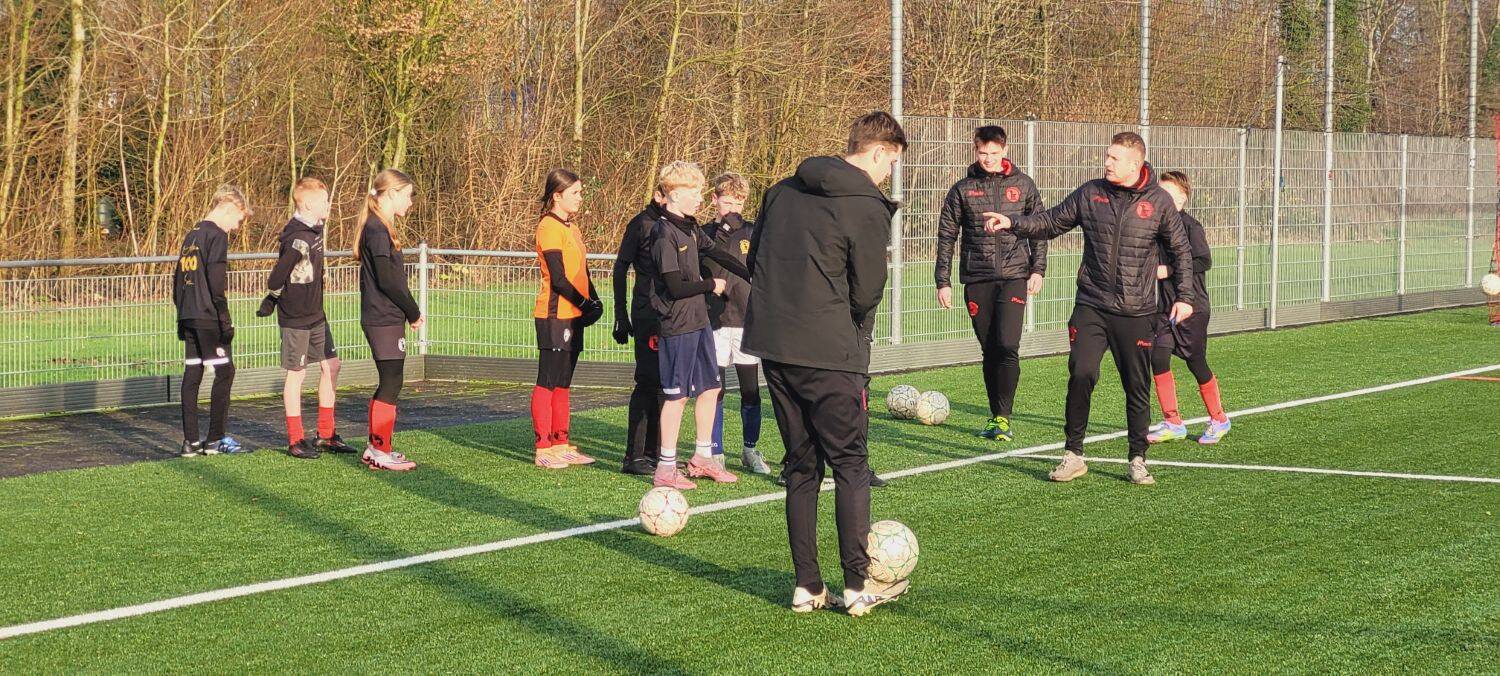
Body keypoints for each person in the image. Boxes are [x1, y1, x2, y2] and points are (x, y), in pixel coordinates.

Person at [743, 111, 910, 616]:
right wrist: (849, 328)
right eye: (891, 163)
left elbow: (757, 263)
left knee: (800, 466)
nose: (888, 175)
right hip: (832, 351)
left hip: (775, 346)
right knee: (851, 465)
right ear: (879, 152)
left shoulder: (779, 191)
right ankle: (858, 585)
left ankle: (807, 585)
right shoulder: (865, 203)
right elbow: (869, 288)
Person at [986, 131, 1198, 486]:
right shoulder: (1091, 192)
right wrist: (1014, 223)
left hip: (1137, 311)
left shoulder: (1159, 201)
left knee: (1136, 385)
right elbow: (1051, 222)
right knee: (1082, 372)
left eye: (1114, 158)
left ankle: (1137, 458)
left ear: (1135, 163)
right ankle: (1073, 455)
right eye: (1107, 157)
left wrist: (1185, 297)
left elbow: (1181, 252)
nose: (1107, 163)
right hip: (1092, 305)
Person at [934, 125, 1048, 441]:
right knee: (989, 349)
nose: (988, 159)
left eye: (994, 153)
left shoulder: (1023, 185)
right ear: (975, 151)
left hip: (1014, 276)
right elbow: (946, 236)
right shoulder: (962, 189)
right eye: (983, 153)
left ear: (1005, 150)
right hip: (977, 278)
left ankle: (1003, 416)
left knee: (1008, 345)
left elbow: (1038, 228)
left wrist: (1038, 269)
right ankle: (994, 414)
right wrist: (942, 281)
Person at [647, 161, 750, 490]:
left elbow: (720, 255)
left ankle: (702, 459)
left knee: (711, 388)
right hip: (677, 325)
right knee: (676, 396)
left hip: (700, 321)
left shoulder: (691, 228)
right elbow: (675, 287)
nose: (700, 199)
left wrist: (756, 276)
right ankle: (665, 467)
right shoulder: (663, 233)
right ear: (674, 195)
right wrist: (712, 287)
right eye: (694, 192)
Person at [256, 177, 358, 459]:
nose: (330, 205)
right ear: (310, 204)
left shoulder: (317, 228)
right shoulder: (297, 237)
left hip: (317, 315)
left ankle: (325, 434)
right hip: (296, 317)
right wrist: (273, 298)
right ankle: (295, 440)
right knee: (297, 375)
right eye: (325, 201)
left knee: (332, 366)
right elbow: (276, 276)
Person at [1145, 171, 1230, 445]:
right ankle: (1172, 421)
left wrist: (1167, 270)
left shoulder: (1190, 226)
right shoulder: (1153, 227)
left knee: (1196, 363)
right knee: (1158, 358)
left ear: (1182, 198)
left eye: (1167, 194)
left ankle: (1219, 418)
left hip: (1192, 307)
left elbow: (1203, 260)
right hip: (1162, 308)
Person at [531, 168, 603, 469]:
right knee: (548, 379)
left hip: (573, 314)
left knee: (564, 382)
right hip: (554, 315)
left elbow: (582, 272)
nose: (580, 198)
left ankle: (561, 442)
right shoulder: (548, 226)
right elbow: (559, 279)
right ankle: (543, 447)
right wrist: (585, 304)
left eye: (581, 192)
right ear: (557, 195)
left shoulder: (572, 228)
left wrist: (595, 301)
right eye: (575, 193)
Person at [353, 169, 424, 471]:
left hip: (385, 315)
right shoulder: (377, 229)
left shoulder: (379, 227)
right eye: (408, 195)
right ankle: (379, 449)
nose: (410, 202)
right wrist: (413, 310)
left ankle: (377, 447)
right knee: (391, 381)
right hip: (382, 316)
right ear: (392, 193)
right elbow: (387, 280)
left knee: (392, 380)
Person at [174, 185, 252, 456]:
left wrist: (181, 313)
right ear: (229, 208)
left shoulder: (191, 234)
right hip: (208, 316)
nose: (236, 227)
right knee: (225, 372)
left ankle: (190, 442)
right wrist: (225, 320)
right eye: (239, 219)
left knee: (193, 373)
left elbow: (177, 279)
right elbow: (216, 283)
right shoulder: (216, 235)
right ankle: (215, 439)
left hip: (188, 313)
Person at [702, 172, 771, 475]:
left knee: (750, 390)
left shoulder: (754, 232)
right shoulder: (703, 233)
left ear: (744, 201)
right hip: (715, 319)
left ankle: (749, 449)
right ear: (714, 199)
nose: (730, 207)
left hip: (746, 320)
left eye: (736, 201)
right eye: (725, 200)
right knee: (714, 389)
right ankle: (713, 451)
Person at [612, 190, 668, 475]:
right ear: (659, 194)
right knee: (647, 380)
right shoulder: (642, 224)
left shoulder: (678, 223)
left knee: (665, 384)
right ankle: (633, 457)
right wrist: (620, 315)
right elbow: (620, 267)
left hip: (672, 315)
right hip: (647, 314)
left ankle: (656, 453)